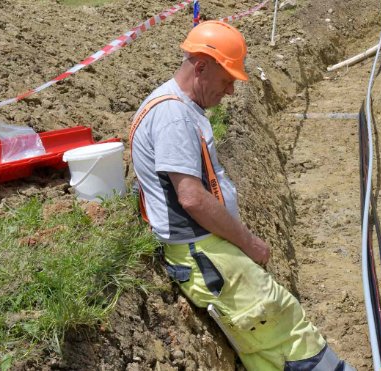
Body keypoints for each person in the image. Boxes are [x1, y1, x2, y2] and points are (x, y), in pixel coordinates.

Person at [129, 21, 355, 371]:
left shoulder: (173, 106)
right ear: (201, 66)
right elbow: (191, 197)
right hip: (203, 252)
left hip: (206, 248)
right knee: (285, 330)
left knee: (266, 344)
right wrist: (249, 243)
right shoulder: (174, 118)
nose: (232, 91)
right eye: (227, 79)